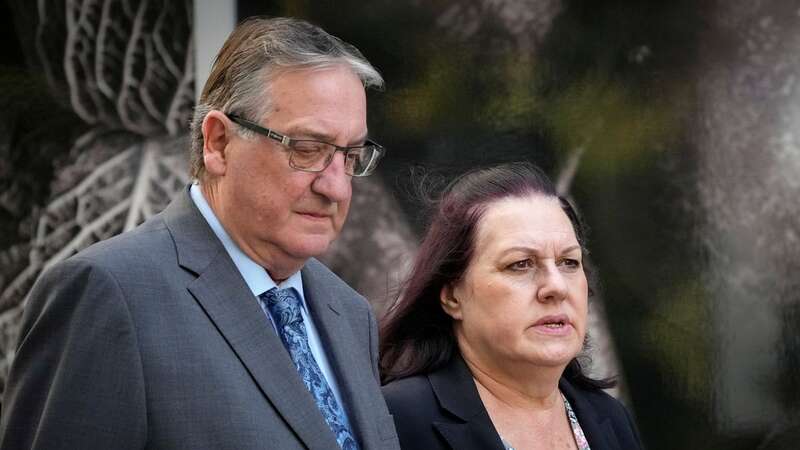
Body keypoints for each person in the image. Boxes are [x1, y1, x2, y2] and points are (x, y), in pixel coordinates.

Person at [1, 17, 400, 450]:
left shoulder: (350, 313)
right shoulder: (110, 294)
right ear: (218, 143)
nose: (337, 187)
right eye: (307, 149)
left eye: (351, 155)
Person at [380, 162, 643, 450]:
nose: (556, 287)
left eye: (569, 262)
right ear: (452, 296)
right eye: (520, 264)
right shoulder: (397, 420)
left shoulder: (611, 418)